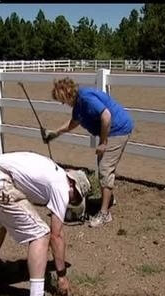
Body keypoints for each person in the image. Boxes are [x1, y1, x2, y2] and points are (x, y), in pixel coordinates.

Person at [0, 151, 91, 296]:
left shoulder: (51, 170)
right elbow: (56, 236)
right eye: (74, 200)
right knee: (41, 233)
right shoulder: (62, 186)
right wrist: (61, 277)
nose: (70, 203)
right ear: (73, 186)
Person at [44, 77, 134, 228]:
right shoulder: (79, 105)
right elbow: (73, 123)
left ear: (67, 93)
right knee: (104, 168)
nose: (62, 103)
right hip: (112, 131)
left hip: (118, 130)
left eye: (62, 99)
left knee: (105, 169)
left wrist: (103, 143)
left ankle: (104, 214)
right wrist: (55, 133)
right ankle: (109, 199)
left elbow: (106, 116)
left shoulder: (86, 98)